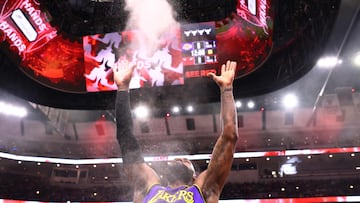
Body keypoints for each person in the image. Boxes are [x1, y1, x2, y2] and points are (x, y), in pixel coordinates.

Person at [113, 59, 238, 203]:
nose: (180, 158)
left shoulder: (203, 189)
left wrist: (227, 90)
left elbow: (230, 135)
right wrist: (122, 89)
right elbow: (125, 139)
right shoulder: (149, 187)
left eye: (186, 161)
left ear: (194, 178)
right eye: (181, 159)